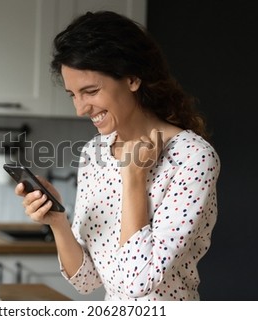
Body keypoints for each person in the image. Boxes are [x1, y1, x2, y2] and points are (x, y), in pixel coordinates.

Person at [14, 11, 220, 301]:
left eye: (91, 91)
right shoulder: (94, 152)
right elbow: (87, 281)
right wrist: (58, 220)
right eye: (73, 94)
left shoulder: (192, 157)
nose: (80, 109)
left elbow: (137, 282)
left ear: (133, 78)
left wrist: (134, 177)